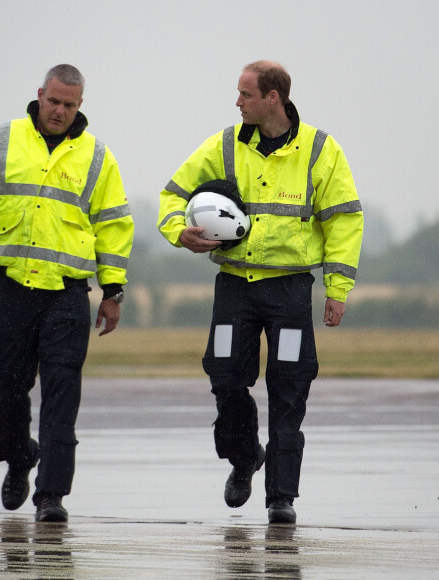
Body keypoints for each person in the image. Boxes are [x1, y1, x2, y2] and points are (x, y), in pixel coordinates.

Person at [157, 60, 363, 524]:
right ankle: (245, 456)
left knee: (290, 392)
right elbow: (172, 195)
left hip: (291, 291)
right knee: (226, 380)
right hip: (235, 287)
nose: (237, 102)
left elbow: (345, 220)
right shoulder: (225, 144)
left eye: (245, 94)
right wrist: (179, 231)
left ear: (274, 98)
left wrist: (338, 288)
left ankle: (281, 498)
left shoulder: (321, 150)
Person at [0, 64, 134, 522]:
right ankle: (18, 458)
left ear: (80, 105)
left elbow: (115, 227)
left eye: (70, 105)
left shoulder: (99, 158)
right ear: (40, 94)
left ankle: (51, 497)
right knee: (7, 388)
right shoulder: (0, 139)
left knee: (62, 394)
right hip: (11, 292)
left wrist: (113, 292)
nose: (60, 111)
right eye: (54, 102)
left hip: (68, 295)